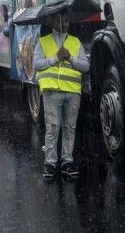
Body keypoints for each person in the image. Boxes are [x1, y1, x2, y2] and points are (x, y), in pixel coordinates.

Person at [33, 9, 89, 180]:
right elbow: (36, 64)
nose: (63, 24)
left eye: (66, 21)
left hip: (72, 92)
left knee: (70, 128)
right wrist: (55, 58)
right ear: (52, 22)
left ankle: (67, 161)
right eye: (59, 21)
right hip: (51, 92)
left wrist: (71, 58)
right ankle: (50, 164)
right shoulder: (43, 42)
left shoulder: (75, 42)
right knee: (52, 127)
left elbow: (85, 66)